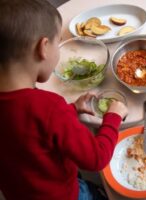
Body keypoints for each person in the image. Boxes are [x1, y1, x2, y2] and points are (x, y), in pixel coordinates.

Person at [0, 0, 128, 199]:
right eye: (58, 42)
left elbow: (31, 129)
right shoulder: (50, 107)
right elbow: (96, 157)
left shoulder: (48, 112)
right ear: (43, 47)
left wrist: (71, 110)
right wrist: (113, 117)